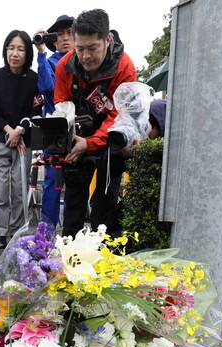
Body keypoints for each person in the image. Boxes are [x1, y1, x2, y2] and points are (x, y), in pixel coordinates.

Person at [53, 9, 137, 238]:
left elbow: (121, 115)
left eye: (93, 48)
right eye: (80, 49)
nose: (86, 56)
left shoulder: (124, 67)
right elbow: (62, 104)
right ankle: (69, 249)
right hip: (79, 133)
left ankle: (104, 252)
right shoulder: (64, 66)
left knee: (104, 198)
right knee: (73, 195)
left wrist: (90, 144)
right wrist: (70, 137)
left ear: (107, 40)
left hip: (112, 136)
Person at [0, 29, 43, 249]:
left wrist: (19, 130)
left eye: (20, 48)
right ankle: (1, 234)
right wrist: (10, 131)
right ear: (5, 50)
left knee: (20, 190)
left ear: (27, 52)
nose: (15, 53)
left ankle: (17, 232)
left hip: (23, 143)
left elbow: (36, 109)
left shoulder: (34, 79)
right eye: (11, 48)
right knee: (0, 193)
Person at [34, 14, 74, 228]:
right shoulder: (49, 62)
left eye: (69, 33)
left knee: (76, 184)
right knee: (53, 183)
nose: (65, 38)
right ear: (54, 40)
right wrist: (40, 53)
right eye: (60, 34)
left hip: (79, 132)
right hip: (56, 134)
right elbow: (46, 88)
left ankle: (71, 234)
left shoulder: (85, 62)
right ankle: (47, 236)